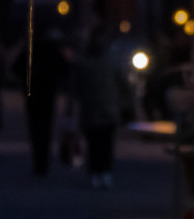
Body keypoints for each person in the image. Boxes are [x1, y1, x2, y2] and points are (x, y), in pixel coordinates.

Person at [72, 33, 131, 189]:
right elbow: (124, 85)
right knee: (106, 143)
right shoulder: (112, 64)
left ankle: (95, 172)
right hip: (109, 110)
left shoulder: (83, 65)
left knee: (93, 144)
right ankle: (105, 172)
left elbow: (76, 88)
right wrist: (124, 103)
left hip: (91, 111)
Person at [13, 24, 70, 178]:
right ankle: (42, 163)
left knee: (35, 129)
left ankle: (38, 162)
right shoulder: (51, 49)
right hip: (47, 94)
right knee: (45, 129)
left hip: (33, 95)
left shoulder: (30, 50)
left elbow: (15, 67)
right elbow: (65, 68)